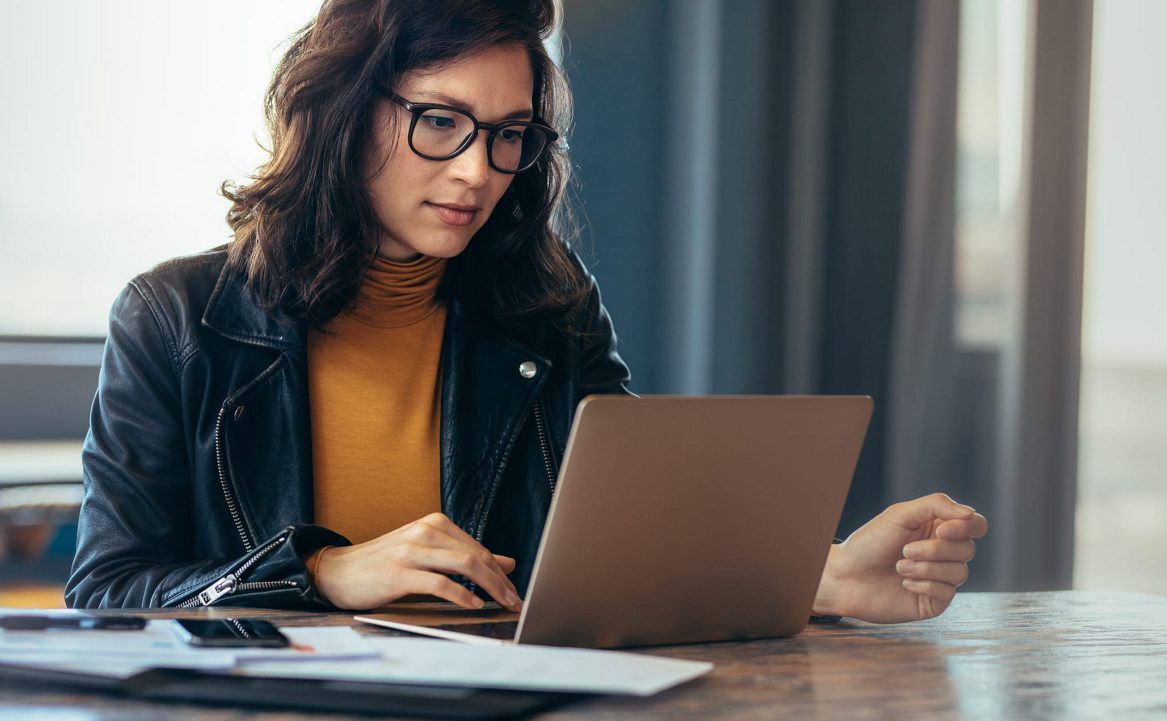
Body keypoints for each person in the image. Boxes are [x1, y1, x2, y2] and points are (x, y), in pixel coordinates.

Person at [65, 0, 987, 624]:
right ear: (343, 111)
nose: (477, 170)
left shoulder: (547, 304)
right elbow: (107, 591)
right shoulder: (176, 318)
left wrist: (820, 575)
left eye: (509, 134)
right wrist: (319, 574)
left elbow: (629, 539)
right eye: (440, 121)